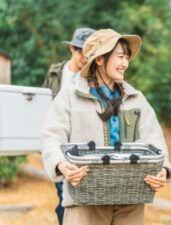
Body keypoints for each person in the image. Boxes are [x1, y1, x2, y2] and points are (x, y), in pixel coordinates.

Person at [41, 28, 171, 225]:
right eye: (120, 57)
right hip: (85, 200)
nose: (125, 64)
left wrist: (162, 169)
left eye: (127, 58)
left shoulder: (135, 98)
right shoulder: (70, 97)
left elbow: (154, 140)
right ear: (100, 59)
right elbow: (51, 136)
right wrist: (61, 164)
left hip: (130, 201)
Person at [42, 27, 95, 225]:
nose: (84, 57)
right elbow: (44, 101)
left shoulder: (94, 77)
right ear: (72, 48)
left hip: (84, 144)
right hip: (60, 143)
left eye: (90, 53)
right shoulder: (56, 72)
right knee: (64, 199)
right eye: (81, 51)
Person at [43, 27, 95, 98]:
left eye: (89, 55)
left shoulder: (95, 77)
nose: (85, 59)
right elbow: (43, 98)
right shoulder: (54, 71)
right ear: (72, 48)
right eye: (81, 53)